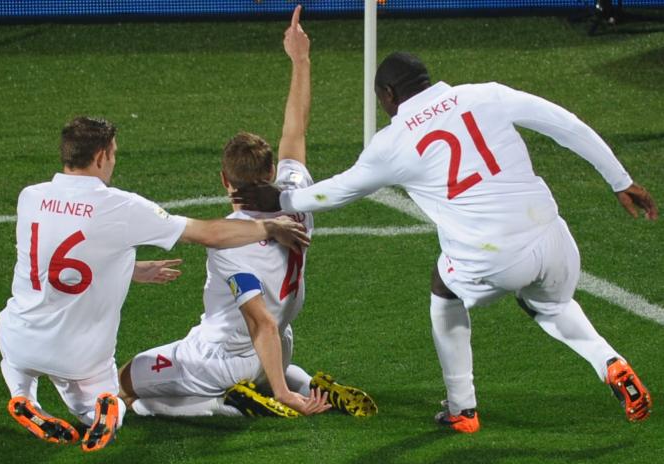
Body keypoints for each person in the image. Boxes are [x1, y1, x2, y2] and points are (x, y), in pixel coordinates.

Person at [231, 51, 657, 432]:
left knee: (444, 286)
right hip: (552, 236)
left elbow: (339, 191)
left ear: (388, 94)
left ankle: (462, 407)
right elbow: (565, 124)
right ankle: (610, 363)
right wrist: (621, 179)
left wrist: (282, 197)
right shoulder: (484, 94)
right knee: (553, 305)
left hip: (494, 258)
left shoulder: (393, 142)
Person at [117, 6, 377, 420]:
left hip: (225, 356)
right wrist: (301, 60)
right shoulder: (296, 196)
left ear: (224, 180)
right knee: (265, 360)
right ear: (272, 171)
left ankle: (229, 404)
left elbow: (260, 324)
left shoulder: (230, 242)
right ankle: (307, 383)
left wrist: (280, 393)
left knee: (127, 384)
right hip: (280, 348)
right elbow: (296, 128)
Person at [0, 116, 311, 452]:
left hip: (19, 336)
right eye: (114, 155)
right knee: (109, 401)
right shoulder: (120, 206)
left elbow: (60, 260)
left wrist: (128, 267)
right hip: (79, 356)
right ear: (101, 157)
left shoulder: (30, 197)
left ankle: (22, 396)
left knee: (16, 361)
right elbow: (208, 233)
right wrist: (267, 228)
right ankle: (103, 411)